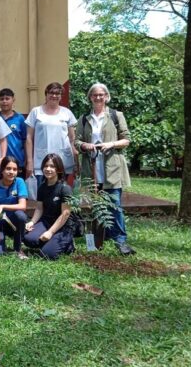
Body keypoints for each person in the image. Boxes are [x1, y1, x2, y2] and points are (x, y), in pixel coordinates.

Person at [75, 83, 134, 255]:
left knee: (114, 204)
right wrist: (85, 145)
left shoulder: (116, 115)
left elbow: (126, 139)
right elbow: (77, 142)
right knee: (96, 205)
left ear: (106, 96)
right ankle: (101, 237)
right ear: (90, 98)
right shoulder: (84, 118)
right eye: (95, 95)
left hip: (111, 168)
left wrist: (111, 144)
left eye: (101, 94)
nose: (98, 97)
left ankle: (120, 240)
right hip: (92, 168)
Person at [24, 153, 75, 260]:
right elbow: (39, 208)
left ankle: (68, 243)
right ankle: (50, 241)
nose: (48, 169)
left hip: (63, 227)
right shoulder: (42, 186)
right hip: (46, 222)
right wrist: (32, 222)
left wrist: (50, 232)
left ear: (59, 169)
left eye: (52, 166)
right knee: (28, 239)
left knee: (47, 254)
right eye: (46, 166)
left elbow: (65, 214)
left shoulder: (65, 188)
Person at [25, 82, 78, 185]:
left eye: (57, 93)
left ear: (61, 96)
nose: (54, 96)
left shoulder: (67, 113)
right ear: (46, 94)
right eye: (51, 93)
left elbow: (72, 139)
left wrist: (76, 162)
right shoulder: (36, 112)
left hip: (63, 161)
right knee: (42, 196)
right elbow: (28, 138)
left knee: (61, 195)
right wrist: (30, 162)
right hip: (41, 162)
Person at [0, 156, 29, 259]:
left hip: (13, 222)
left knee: (21, 216)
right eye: (8, 168)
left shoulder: (19, 182)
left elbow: (23, 206)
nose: (11, 172)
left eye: (14, 169)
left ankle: (18, 249)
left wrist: (2, 206)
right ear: (2, 170)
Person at [0, 88, 27, 177]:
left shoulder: (20, 118)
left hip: (17, 161)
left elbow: (25, 140)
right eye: (2, 99)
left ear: (13, 100)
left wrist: (27, 160)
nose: (4, 101)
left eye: (7, 98)